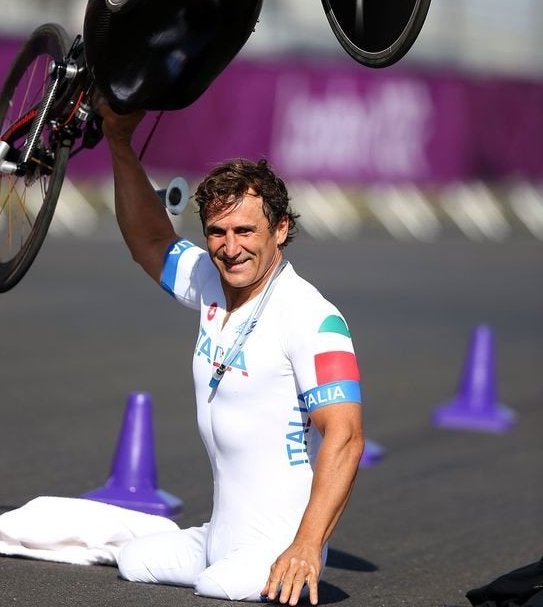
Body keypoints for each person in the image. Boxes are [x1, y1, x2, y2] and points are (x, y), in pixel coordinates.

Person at [98, 102, 365, 605]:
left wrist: (307, 546)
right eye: (217, 233)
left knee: (216, 588)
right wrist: (118, 143)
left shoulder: (314, 318)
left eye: (245, 231)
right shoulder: (209, 280)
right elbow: (150, 238)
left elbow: (346, 437)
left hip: (279, 545)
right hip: (218, 536)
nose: (230, 248)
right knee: (132, 563)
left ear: (281, 229)